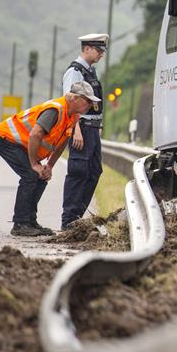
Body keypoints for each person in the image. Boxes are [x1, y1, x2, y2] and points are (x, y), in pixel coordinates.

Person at [0, 82, 99, 236]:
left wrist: (49, 166)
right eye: (87, 100)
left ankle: (30, 221)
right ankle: (20, 224)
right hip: (5, 138)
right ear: (74, 98)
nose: (90, 104)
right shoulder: (56, 110)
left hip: (21, 144)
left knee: (41, 177)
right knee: (30, 174)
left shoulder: (73, 116)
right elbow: (35, 134)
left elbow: (62, 143)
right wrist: (35, 164)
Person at [61, 33, 108, 229]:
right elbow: (69, 102)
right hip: (82, 127)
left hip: (93, 128)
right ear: (86, 48)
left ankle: (77, 216)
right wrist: (75, 129)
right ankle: (69, 219)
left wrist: (98, 127)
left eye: (102, 51)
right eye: (98, 50)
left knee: (94, 171)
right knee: (78, 171)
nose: (100, 55)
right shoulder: (75, 71)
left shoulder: (90, 72)